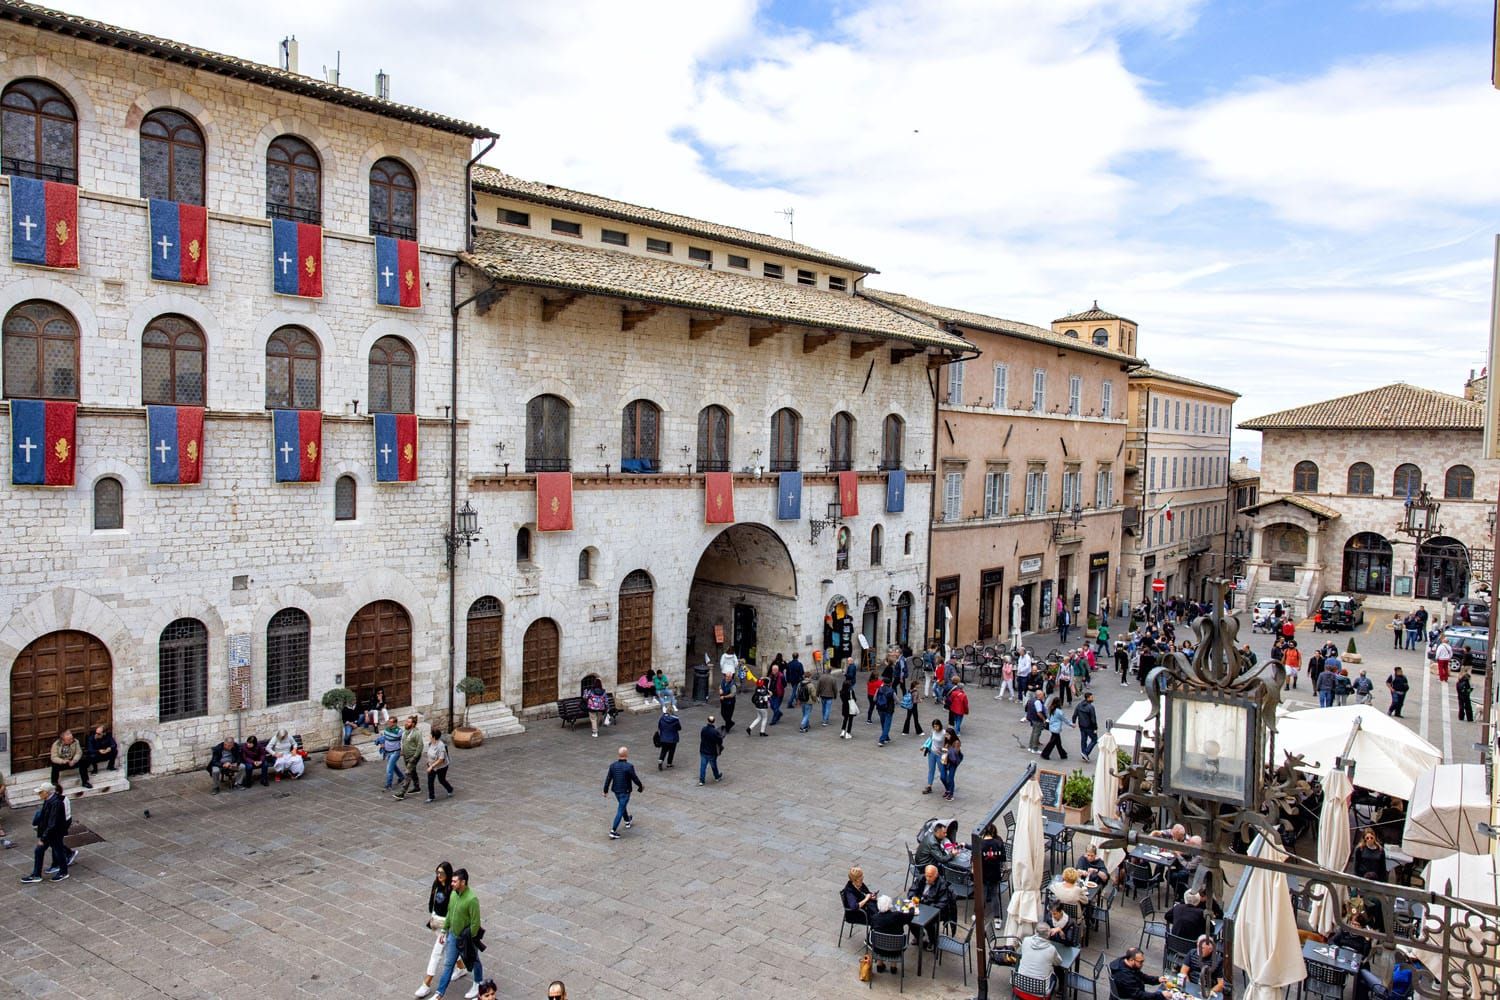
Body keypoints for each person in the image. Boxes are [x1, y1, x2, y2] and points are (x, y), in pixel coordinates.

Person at [414, 861, 466, 998]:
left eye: (441, 873)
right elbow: (432, 900)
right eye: (437, 872)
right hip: (437, 922)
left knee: (437, 953)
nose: (438, 875)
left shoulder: (452, 889)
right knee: (450, 949)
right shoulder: (436, 884)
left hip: (447, 926)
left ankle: (427, 983)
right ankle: (461, 967)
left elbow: (454, 909)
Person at [432, 867, 483, 1000]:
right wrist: (444, 930)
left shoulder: (472, 899)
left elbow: (475, 923)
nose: (452, 883)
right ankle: (439, 993)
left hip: (466, 938)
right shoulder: (454, 894)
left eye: (455, 881)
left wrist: (469, 938)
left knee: (474, 961)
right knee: (448, 964)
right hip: (453, 935)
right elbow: (450, 913)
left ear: (463, 882)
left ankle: (478, 983)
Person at [20, 785, 68, 884]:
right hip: (50, 833)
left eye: (41, 792)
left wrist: (43, 837)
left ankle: (63, 872)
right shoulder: (49, 800)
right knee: (42, 851)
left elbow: (52, 822)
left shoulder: (55, 803)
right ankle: (36, 874)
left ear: (46, 792)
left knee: (58, 852)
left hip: (54, 833)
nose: (39, 794)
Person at [603, 745, 643, 839]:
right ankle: (613, 830)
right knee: (620, 809)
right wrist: (640, 786)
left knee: (622, 805)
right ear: (626, 755)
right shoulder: (629, 767)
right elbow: (635, 778)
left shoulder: (613, 766)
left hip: (616, 790)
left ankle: (627, 820)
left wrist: (605, 790)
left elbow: (608, 778)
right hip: (625, 791)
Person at [916, 864, 957, 948]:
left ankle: (932, 940)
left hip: (937, 911)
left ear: (936, 875)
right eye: (926, 875)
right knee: (908, 918)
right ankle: (919, 936)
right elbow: (913, 890)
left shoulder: (942, 885)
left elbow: (942, 903)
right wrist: (913, 897)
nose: (927, 878)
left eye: (930, 876)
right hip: (920, 906)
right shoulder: (921, 878)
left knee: (928, 923)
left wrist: (927, 906)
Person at [979, 822, 1007, 912]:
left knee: (982, 894)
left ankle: (979, 915)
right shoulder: (998, 842)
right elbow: (1003, 859)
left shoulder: (980, 844)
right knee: (994, 895)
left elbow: (975, 859)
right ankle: (997, 918)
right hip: (995, 873)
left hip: (983, 874)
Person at [395, 715, 424, 799]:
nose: (406, 723)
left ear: (413, 724)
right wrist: (402, 750)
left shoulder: (417, 733)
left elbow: (420, 746)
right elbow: (403, 741)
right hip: (406, 756)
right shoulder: (405, 731)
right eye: (406, 721)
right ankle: (417, 787)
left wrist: (415, 757)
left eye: (408, 722)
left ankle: (402, 793)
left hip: (413, 756)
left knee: (408, 773)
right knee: (412, 771)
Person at [425, 728, 454, 802]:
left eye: (430, 734)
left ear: (434, 737)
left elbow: (441, 759)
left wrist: (431, 766)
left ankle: (450, 789)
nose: (429, 736)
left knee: (441, 780)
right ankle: (431, 797)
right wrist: (428, 762)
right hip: (432, 765)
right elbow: (429, 753)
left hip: (441, 767)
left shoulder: (441, 746)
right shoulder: (430, 743)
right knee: (430, 781)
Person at [377, 718, 406, 790]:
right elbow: (384, 737)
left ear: (395, 723)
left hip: (396, 752)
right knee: (393, 766)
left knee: (389, 768)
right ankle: (401, 777)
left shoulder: (399, 731)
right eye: (388, 722)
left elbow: (404, 741)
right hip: (388, 751)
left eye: (390, 722)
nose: (388, 723)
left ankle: (388, 785)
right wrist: (382, 743)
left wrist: (403, 750)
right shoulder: (386, 729)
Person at [697, 716, 724, 785]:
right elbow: (719, 741)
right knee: (713, 765)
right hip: (711, 751)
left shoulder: (703, 729)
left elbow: (702, 737)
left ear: (708, 721)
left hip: (703, 750)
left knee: (703, 766)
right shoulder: (714, 731)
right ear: (714, 721)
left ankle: (701, 780)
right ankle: (717, 777)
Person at [920, 718, 945, 794]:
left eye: (937, 726)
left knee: (942, 770)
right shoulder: (933, 731)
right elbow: (930, 739)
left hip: (940, 754)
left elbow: (948, 742)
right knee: (931, 769)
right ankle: (929, 786)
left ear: (940, 726)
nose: (935, 728)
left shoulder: (944, 733)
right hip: (932, 753)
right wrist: (924, 746)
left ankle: (947, 786)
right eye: (934, 726)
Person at [1073, 692, 1099, 762]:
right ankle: (1085, 752)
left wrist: (1074, 722)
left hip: (1081, 726)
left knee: (1083, 740)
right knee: (1094, 739)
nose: (1093, 698)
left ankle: (1084, 753)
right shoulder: (1091, 707)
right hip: (1089, 727)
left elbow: (1075, 714)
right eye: (1091, 697)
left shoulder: (1079, 705)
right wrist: (1095, 728)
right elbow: (1093, 719)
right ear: (1088, 698)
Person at [939, 730, 964, 800]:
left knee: (950, 777)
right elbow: (944, 750)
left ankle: (951, 793)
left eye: (948, 735)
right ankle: (948, 789)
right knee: (942, 777)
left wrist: (946, 750)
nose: (946, 736)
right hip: (945, 760)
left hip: (953, 762)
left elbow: (955, 752)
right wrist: (941, 750)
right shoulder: (946, 741)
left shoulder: (956, 742)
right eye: (946, 735)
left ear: (951, 735)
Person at [655, 705, 681, 769]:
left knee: (663, 750)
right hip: (673, 738)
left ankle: (660, 762)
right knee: (671, 751)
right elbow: (679, 728)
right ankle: (669, 763)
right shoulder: (675, 720)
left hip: (664, 738)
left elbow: (659, 726)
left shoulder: (662, 718)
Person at [875, 676, 897, 746]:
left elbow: (874, 699)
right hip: (888, 710)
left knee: (883, 723)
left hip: (880, 708)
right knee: (887, 725)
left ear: (883, 682)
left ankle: (886, 738)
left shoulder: (879, 689)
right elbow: (896, 700)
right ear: (890, 683)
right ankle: (881, 740)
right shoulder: (891, 691)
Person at [838, 674, 857, 739]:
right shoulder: (851, 691)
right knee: (850, 720)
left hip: (845, 706)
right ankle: (848, 733)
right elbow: (855, 699)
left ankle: (843, 731)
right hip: (850, 707)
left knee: (845, 719)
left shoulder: (841, 692)